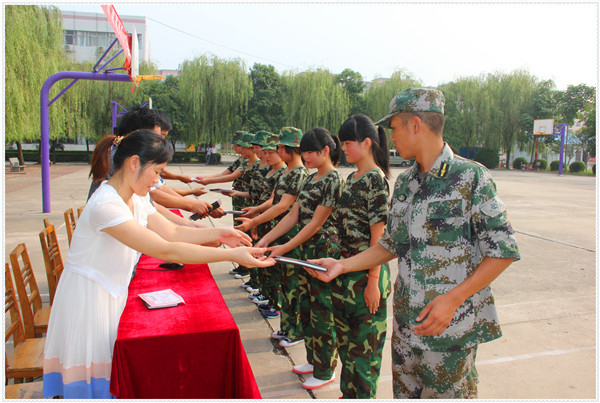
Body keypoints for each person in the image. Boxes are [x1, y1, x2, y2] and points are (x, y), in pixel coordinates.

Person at [309, 88, 520, 398]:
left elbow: (502, 251)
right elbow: (390, 244)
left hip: (449, 333)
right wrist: (343, 265)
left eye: (393, 128)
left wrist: (452, 300)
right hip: (407, 330)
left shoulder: (471, 178)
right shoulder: (406, 182)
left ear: (416, 125)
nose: (389, 138)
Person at [43, 131, 274, 399]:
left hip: (110, 292)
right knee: (96, 379)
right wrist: (231, 255)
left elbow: (172, 233)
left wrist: (221, 235)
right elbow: (165, 248)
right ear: (134, 163)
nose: (157, 181)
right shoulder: (106, 205)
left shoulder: (136, 197)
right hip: (90, 298)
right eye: (156, 171)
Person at [257, 127, 344, 390]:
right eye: (303, 152)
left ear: (326, 151)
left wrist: (284, 247)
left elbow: (316, 223)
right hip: (305, 252)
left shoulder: (333, 180)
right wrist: (268, 239)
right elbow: (293, 214)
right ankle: (314, 359)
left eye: (310, 152)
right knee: (306, 308)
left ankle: (326, 368)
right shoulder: (311, 177)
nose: (305, 156)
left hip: (322, 253)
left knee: (323, 313)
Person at [332, 114, 391, 398]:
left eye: (347, 143)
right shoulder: (352, 177)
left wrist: (373, 280)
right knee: (346, 347)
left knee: (365, 355)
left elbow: (377, 235)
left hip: (366, 274)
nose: (343, 148)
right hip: (346, 273)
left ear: (366, 143)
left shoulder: (375, 180)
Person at [236, 127, 308, 342]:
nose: (272, 152)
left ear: (289, 149)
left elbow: (283, 206)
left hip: (288, 234)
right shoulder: (287, 172)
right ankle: (287, 327)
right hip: (276, 229)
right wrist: (257, 216)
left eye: (278, 148)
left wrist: (255, 220)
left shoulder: (299, 173)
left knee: (291, 284)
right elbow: (274, 201)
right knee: (284, 283)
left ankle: (295, 331)